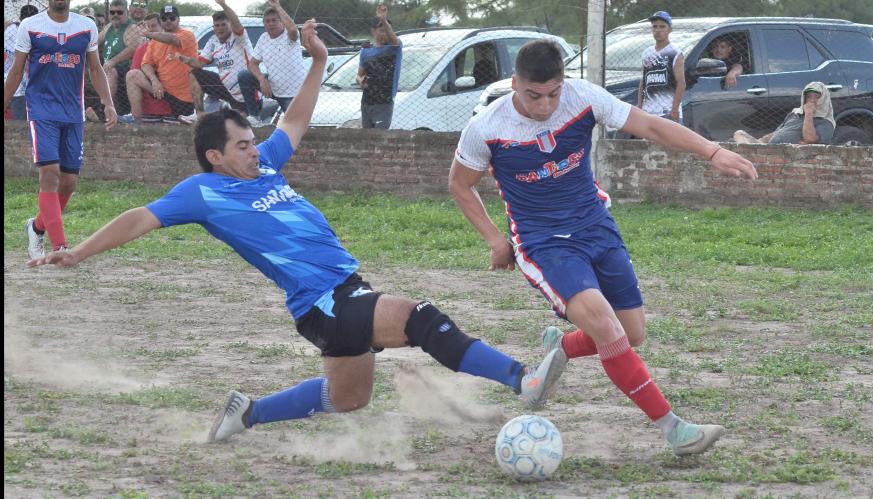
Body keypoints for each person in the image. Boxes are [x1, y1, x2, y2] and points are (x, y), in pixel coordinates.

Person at [27, 20, 567, 444]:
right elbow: (137, 219)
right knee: (419, 318)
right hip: (323, 301)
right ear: (215, 156)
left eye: (252, 140)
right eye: (242, 144)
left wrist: (320, 62)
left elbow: (296, 122)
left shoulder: (262, 164)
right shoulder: (202, 192)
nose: (254, 148)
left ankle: (250, 412)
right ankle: (523, 378)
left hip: (340, 294)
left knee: (349, 398)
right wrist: (79, 253)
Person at [449, 40, 758, 457]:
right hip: (544, 243)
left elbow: (649, 125)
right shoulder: (487, 126)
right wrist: (494, 240)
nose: (544, 106)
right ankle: (675, 430)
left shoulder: (583, 97)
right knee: (609, 330)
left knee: (632, 334)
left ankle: (563, 346)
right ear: (514, 84)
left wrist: (712, 150)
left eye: (553, 94)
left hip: (596, 226)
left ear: (563, 83)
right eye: (533, 96)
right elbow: (460, 185)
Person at [4, 0, 118, 259]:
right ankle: (60, 247)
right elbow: (16, 71)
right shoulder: (30, 26)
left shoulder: (86, 25)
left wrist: (108, 103)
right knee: (50, 174)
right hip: (41, 110)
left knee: (68, 183)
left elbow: (95, 69)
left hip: (73, 113)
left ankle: (36, 228)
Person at [175, 0, 253, 114]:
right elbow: (199, 63)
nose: (220, 28)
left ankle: (250, 114)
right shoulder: (213, 41)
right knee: (195, 74)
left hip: (245, 90)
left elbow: (237, 23)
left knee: (240, 122)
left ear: (230, 25)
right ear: (213, 27)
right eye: (217, 25)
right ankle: (199, 115)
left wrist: (223, 4)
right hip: (226, 87)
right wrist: (184, 59)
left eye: (223, 25)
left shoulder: (239, 37)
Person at [238, 0, 305, 127]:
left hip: (293, 93)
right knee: (244, 76)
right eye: (267, 21)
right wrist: (262, 80)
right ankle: (254, 117)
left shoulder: (289, 36)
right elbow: (252, 64)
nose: (271, 23)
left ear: (282, 22)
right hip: (273, 87)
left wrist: (277, 6)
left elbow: (292, 28)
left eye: (274, 20)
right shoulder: (263, 38)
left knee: (295, 127)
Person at [127, 5, 198, 123]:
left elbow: (172, 39)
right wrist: (154, 80)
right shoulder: (154, 42)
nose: (168, 21)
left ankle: (180, 116)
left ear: (178, 19)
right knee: (132, 75)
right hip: (162, 90)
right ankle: (136, 120)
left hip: (183, 95)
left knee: (177, 126)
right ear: (161, 21)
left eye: (172, 18)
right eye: (164, 18)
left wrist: (147, 33)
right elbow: (146, 64)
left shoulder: (187, 34)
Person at [734, 82, 835, 145]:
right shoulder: (795, 113)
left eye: (817, 97)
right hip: (768, 150)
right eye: (809, 97)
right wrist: (761, 141)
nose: (812, 100)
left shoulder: (826, 121)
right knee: (739, 134)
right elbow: (779, 132)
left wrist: (809, 114)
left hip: (787, 155)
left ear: (823, 99)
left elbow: (810, 139)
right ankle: (752, 151)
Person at [357, 4, 401, 129]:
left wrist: (383, 20)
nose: (386, 34)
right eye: (382, 30)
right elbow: (359, 76)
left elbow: (394, 41)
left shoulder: (394, 49)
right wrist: (361, 81)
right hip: (366, 102)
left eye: (389, 30)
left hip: (384, 103)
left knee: (380, 138)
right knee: (367, 140)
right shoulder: (366, 51)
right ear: (373, 31)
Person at [122, 13, 172, 122]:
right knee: (132, 75)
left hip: (173, 99)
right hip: (151, 99)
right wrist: (153, 82)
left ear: (162, 26)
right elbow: (135, 77)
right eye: (147, 27)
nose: (150, 30)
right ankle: (136, 119)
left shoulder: (172, 45)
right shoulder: (142, 48)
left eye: (153, 26)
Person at [638, 11, 684, 123]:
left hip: (667, 111)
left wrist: (674, 110)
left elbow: (681, 83)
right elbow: (643, 82)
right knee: (648, 141)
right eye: (655, 26)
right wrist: (640, 106)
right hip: (648, 112)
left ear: (669, 29)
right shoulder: (647, 53)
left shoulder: (675, 53)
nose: (658, 30)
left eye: (662, 26)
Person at [3, 4, 39, 120]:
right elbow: (19, 56)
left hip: (31, 75)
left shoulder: (36, 30)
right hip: (13, 73)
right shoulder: (12, 30)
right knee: (19, 105)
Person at [100, 0, 134, 115]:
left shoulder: (131, 28)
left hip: (124, 69)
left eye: (119, 12)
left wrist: (113, 61)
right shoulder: (108, 27)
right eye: (112, 12)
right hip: (107, 67)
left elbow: (134, 48)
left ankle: (103, 110)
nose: (115, 15)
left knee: (110, 71)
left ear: (127, 12)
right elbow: (93, 43)